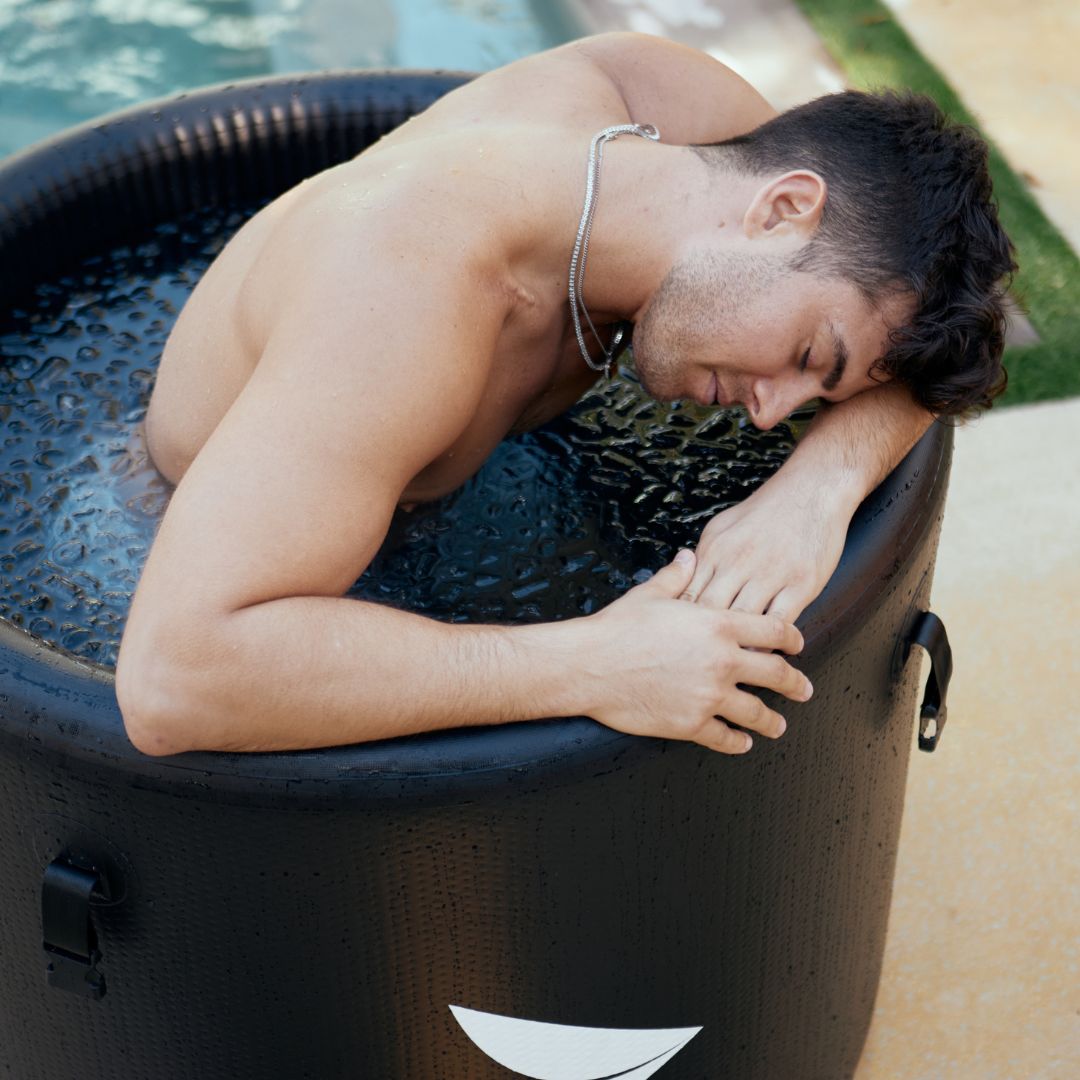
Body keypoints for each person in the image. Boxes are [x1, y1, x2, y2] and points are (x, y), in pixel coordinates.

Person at [115, 32, 1015, 758]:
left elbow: (935, 341)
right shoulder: (402, 293)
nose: (773, 410)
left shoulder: (662, 109)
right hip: (159, 545)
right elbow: (172, 681)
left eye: (816, 394)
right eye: (808, 356)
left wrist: (811, 497)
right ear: (781, 211)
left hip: (391, 490)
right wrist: (591, 664)